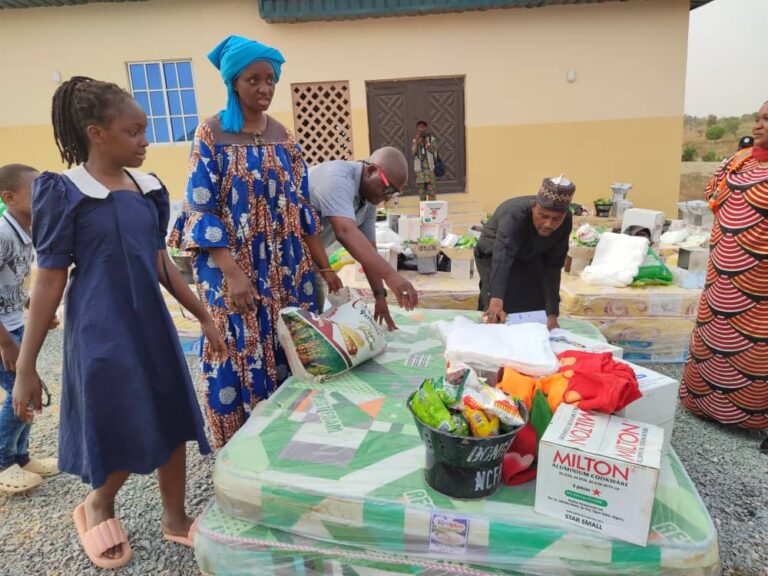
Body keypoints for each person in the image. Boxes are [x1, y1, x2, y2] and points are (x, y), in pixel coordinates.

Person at [12, 76, 226, 569]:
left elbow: (162, 265)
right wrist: (26, 367)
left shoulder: (147, 189)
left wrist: (203, 317)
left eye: (145, 131)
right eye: (133, 132)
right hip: (100, 329)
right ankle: (96, 505)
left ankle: (174, 518)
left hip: (150, 324)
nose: (145, 142)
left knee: (173, 417)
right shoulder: (63, 191)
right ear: (96, 133)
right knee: (121, 419)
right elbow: (48, 281)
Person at [169, 36, 333, 447]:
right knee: (236, 350)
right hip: (231, 269)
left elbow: (301, 207)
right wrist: (234, 274)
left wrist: (325, 268)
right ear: (233, 83)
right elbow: (200, 208)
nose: (264, 89)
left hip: (286, 266)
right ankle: (239, 449)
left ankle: (288, 440)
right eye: (252, 80)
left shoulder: (284, 136)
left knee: (288, 343)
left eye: (270, 80)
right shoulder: (210, 133)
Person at [680, 100, 768, 454]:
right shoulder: (737, 162)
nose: (759, 125)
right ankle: (705, 404)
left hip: (761, 285)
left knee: (758, 348)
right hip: (724, 277)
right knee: (716, 334)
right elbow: (714, 196)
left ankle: (756, 417)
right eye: (759, 118)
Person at [309, 147, 419, 329]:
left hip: (311, 261)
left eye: (394, 193)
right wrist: (391, 276)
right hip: (283, 259)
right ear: (370, 171)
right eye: (388, 188)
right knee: (301, 324)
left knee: (314, 323)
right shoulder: (337, 179)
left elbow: (369, 249)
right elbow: (345, 232)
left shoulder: (367, 201)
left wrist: (379, 297)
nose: (388, 196)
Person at [0, 164, 60, 495]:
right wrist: (6, 344)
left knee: (30, 389)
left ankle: (20, 458)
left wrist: (33, 311)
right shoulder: (4, 234)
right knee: (18, 394)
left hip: (15, 327)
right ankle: (2, 462)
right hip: (3, 336)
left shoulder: (27, 231)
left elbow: (9, 284)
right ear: (9, 198)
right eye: (37, 191)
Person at [474, 176, 575, 331]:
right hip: (494, 254)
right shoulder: (514, 214)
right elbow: (503, 257)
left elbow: (553, 267)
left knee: (536, 303)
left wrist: (552, 315)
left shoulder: (566, 221)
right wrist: (495, 300)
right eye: (544, 216)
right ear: (534, 207)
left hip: (531, 254)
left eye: (557, 219)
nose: (549, 224)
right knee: (499, 305)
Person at [411, 120, 439, 201]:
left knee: (432, 193)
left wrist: (427, 143)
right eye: (420, 127)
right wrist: (416, 142)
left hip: (430, 170)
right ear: (417, 128)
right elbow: (413, 153)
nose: (421, 128)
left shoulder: (431, 139)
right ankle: (423, 212)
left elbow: (435, 151)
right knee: (422, 194)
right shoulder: (415, 140)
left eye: (423, 126)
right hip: (420, 171)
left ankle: (432, 211)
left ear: (425, 127)